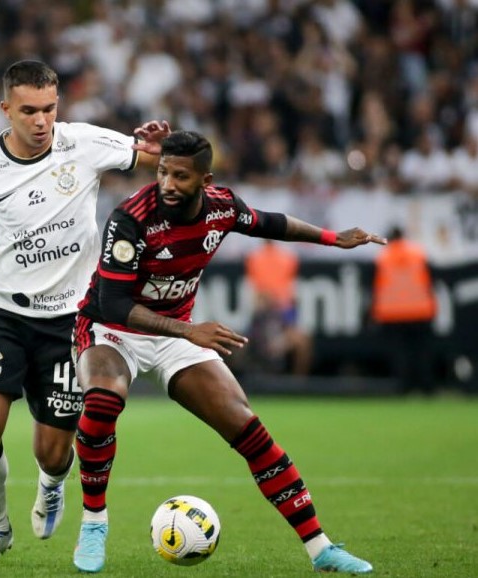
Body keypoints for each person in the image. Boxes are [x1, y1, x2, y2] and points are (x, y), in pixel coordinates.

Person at [71, 131, 385, 574]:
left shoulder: (221, 206)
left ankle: (321, 549)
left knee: (249, 428)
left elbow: (271, 223)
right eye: (163, 171)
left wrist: (334, 238)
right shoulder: (131, 218)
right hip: (111, 329)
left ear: (205, 179)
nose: (168, 183)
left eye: (180, 175)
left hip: (177, 335)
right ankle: (94, 522)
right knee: (104, 400)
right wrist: (188, 330)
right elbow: (115, 303)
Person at [0, 60, 169, 568]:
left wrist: (162, 144)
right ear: (6, 108)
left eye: (49, 109)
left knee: (53, 454)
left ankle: (51, 488)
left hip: (71, 321)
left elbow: (163, 164)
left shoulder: (85, 142)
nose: (41, 121)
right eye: (28, 110)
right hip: (3, 313)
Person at [370, 225, 437, 393]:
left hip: (393, 312)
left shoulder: (382, 257)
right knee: (422, 352)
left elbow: (375, 286)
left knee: (401, 353)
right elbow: (431, 279)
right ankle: (426, 387)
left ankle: (404, 387)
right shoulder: (418, 253)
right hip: (420, 310)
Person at [244, 239, 313, 376]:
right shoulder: (256, 257)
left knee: (301, 343)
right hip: (265, 314)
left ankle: (297, 386)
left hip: (281, 313)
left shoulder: (286, 258)